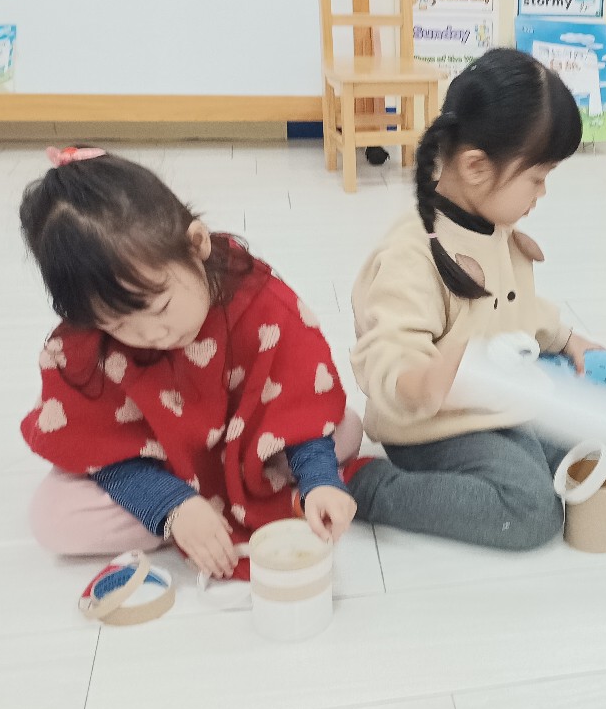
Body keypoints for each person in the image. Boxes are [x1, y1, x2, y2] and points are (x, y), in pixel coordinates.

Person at [20, 147, 365, 580]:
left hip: (248, 450)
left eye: (160, 307)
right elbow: (102, 450)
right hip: (155, 465)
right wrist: (172, 506)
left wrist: (320, 480)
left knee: (345, 429)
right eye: (118, 324)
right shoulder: (88, 348)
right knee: (52, 516)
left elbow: (299, 402)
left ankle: (220, 514)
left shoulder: (259, 301)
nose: (151, 334)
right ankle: (184, 522)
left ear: (197, 244)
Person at [347, 48, 601, 550]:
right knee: (532, 512)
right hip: (434, 424)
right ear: (476, 167)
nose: (542, 194)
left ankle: (524, 455)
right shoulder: (412, 254)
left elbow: (510, 307)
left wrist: (564, 336)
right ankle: (367, 487)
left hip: (496, 400)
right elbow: (388, 351)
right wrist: (423, 381)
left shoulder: (492, 222)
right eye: (537, 178)